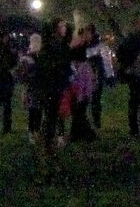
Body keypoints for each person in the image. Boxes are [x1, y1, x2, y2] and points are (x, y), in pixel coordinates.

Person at [34, 21, 75, 156]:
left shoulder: (61, 46)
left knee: (55, 113)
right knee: (51, 114)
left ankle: (50, 140)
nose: (64, 28)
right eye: (61, 26)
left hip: (58, 84)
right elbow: (50, 66)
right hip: (50, 85)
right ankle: (47, 143)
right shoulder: (51, 47)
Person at [67, 26, 100, 143]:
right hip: (76, 84)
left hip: (82, 85)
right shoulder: (78, 44)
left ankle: (79, 134)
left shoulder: (85, 48)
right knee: (78, 110)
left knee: (79, 111)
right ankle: (83, 134)